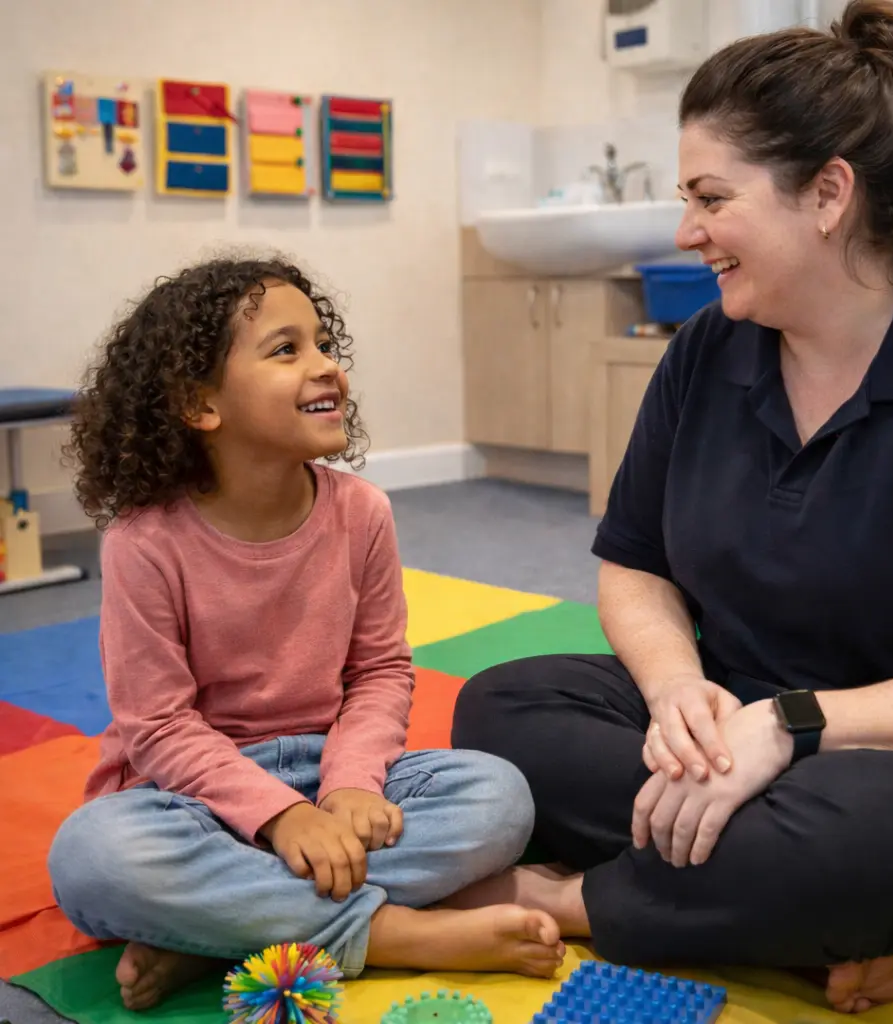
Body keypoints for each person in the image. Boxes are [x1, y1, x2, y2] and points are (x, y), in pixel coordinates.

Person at [446, 0, 893, 1015]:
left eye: (712, 197)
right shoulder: (709, 350)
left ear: (827, 195)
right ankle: (809, 911)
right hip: (726, 710)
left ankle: (572, 898)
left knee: (872, 845)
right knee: (499, 707)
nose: (685, 231)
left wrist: (792, 728)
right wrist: (676, 691)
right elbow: (632, 563)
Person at [48, 256, 564, 1012]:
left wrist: (349, 787)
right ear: (201, 405)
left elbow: (383, 671)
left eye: (324, 345)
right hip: (191, 798)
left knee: (500, 798)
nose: (326, 367)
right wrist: (281, 817)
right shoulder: (143, 540)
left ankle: (221, 926)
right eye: (287, 350)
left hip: (333, 769)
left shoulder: (362, 513)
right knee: (92, 858)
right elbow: (156, 725)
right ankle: (388, 933)